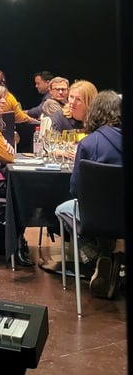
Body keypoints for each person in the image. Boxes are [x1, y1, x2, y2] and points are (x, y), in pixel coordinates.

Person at [53, 91, 123, 297]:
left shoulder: (89, 143)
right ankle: (109, 256)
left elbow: (76, 190)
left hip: (98, 217)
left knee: (63, 209)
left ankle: (98, 257)